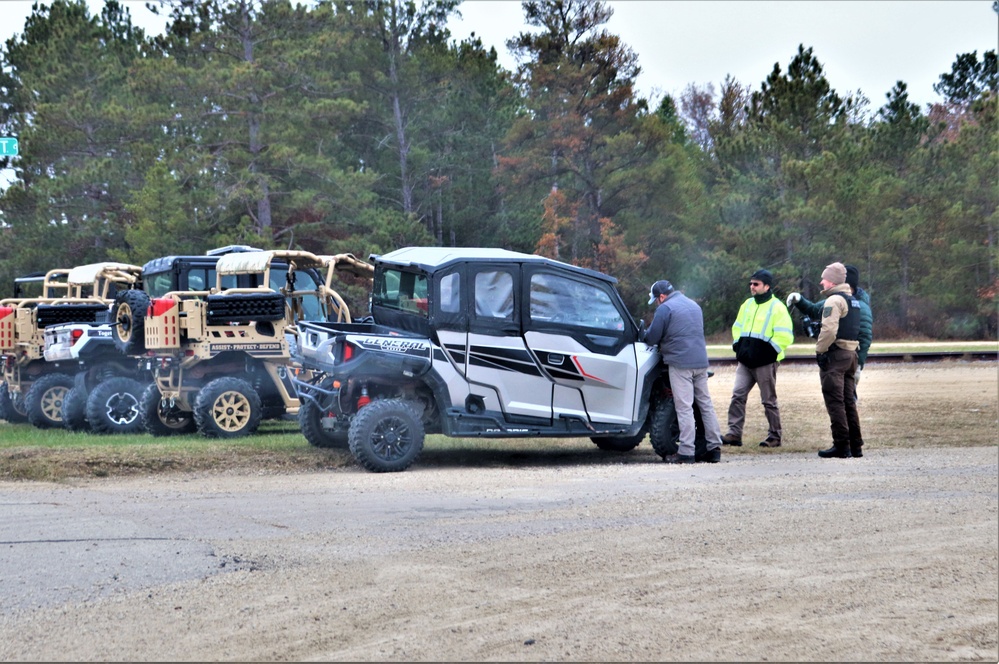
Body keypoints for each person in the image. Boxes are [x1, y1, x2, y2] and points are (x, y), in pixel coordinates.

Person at [644, 279, 724, 464]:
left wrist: (645, 334)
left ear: (662, 296)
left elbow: (652, 337)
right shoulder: (694, 305)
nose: (657, 302)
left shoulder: (665, 308)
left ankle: (686, 452)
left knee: (684, 406)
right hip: (701, 362)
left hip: (680, 364)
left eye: (656, 299)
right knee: (705, 405)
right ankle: (714, 448)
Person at [722, 269, 794, 448]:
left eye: (756, 284)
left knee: (768, 400)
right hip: (746, 362)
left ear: (767, 286)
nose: (752, 287)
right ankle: (734, 434)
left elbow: (785, 336)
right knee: (737, 396)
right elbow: (737, 328)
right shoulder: (747, 304)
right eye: (751, 284)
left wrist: (768, 354)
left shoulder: (777, 307)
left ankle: (774, 437)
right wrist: (738, 347)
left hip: (765, 363)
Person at [787, 264, 873, 402]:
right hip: (837, 357)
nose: (823, 282)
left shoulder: (859, 307)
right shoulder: (835, 300)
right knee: (842, 400)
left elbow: (865, 337)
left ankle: (845, 423)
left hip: (849, 359)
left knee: (843, 400)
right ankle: (847, 423)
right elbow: (814, 309)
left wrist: (858, 364)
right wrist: (799, 300)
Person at [807, 262, 864, 459]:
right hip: (851, 355)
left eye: (824, 278)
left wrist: (820, 350)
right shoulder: (853, 300)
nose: (821, 282)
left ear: (832, 281)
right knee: (849, 402)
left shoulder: (833, 301)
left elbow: (829, 330)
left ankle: (841, 445)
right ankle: (856, 446)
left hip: (836, 356)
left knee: (835, 401)